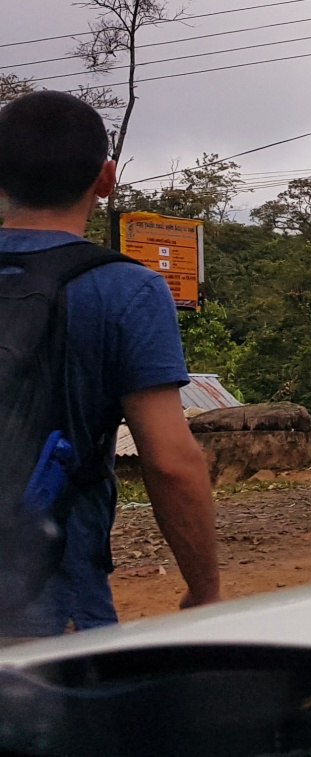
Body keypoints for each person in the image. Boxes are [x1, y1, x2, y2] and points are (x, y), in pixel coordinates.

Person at [0, 91, 220, 636]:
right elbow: (170, 462)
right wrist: (204, 589)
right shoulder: (127, 290)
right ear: (106, 178)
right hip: (51, 601)